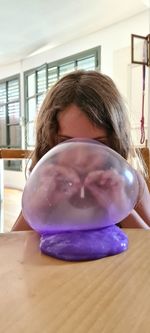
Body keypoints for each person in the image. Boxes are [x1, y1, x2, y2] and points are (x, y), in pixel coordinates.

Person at [12, 70, 150, 231]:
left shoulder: (131, 183)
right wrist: (39, 203)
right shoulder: (44, 181)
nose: (81, 158)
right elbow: (13, 247)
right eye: (66, 141)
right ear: (48, 139)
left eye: (98, 143)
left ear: (115, 141)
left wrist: (122, 208)